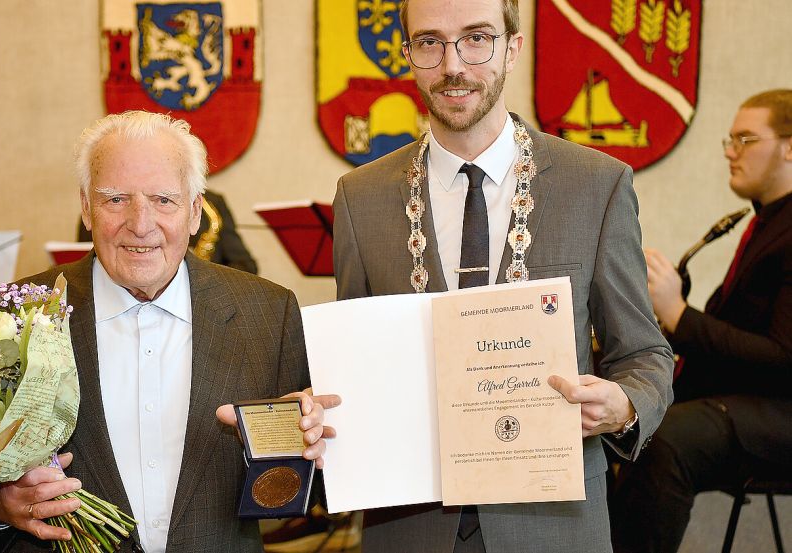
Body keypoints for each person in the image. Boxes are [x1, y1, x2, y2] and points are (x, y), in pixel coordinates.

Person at [330, 0, 674, 551]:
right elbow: (354, 370)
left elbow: (645, 354)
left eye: (476, 38)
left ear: (513, 47)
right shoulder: (359, 199)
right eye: (429, 42)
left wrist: (626, 403)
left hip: (553, 525)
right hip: (411, 528)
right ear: (408, 55)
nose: (453, 65)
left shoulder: (597, 186)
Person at [0, 110, 337, 553]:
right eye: (115, 199)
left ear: (195, 211)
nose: (140, 224)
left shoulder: (268, 313)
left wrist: (303, 452)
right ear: (86, 208)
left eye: (163, 199)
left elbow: (314, 487)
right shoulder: (13, 317)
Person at [610, 89, 792, 553]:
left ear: (790, 147)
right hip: (749, 404)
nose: (731, 152)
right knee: (624, 417)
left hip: (780, 412)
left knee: (666, 439)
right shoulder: (765, 224)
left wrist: (679, 315)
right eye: (729, 140)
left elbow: (782, 358)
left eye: (746, 139)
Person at [78, 189, 259, 274]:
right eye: (116, 200)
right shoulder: (99, 208)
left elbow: (245, 264)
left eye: (164, 201)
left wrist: (208, 281)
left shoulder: (213, 204)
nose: (141, 228)